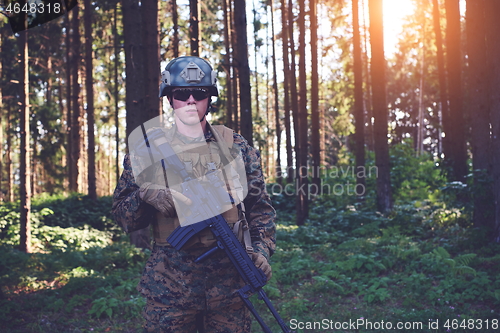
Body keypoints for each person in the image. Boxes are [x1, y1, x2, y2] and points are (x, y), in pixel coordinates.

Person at [112, 56, 276, 333]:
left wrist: (261, 251)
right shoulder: (146, 152)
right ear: (169, 98)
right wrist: (143, 197)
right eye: (180, 94)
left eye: (199, 93)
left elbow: (260, 209)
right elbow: (123, 217)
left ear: (209, 99)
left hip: (230, 289)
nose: (190, 100)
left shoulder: (236, 147)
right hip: (170, 291)